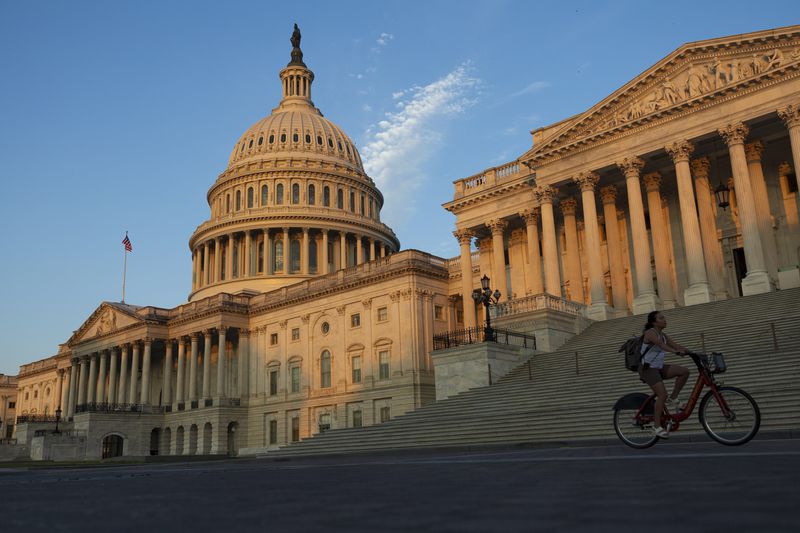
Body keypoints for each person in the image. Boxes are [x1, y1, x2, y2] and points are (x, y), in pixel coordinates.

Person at [639, 310, 690, 438]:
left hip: (658, 367)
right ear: (654, 322)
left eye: (664, 317)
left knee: (684, 371)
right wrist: (675, 352)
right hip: (647, 368)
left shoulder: (663, 335)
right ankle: (656, 427)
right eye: (661, 318)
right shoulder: (650, 333)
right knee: (662, 394)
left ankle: (673, 397)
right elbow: (660, 345)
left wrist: (692, 353)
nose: (665, 319)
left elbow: (676, 345)